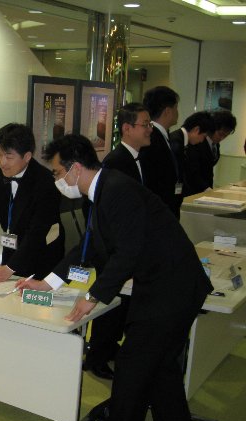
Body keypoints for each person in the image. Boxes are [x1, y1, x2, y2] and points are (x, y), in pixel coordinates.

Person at [17, 134, 212, 421]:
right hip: (171, 286)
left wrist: (93, 296)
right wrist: (48, 282)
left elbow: (127, 253)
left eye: (57, 172)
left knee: (132, 364)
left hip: (171, 289)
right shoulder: (103, 189)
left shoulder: (116, 190)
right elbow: (87, 248)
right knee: (160, 366)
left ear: (75, 169)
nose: (56, 180)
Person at [83, 103, 153, 380]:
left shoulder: (139, 158)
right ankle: (98, 356)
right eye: (144, 124)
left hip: (128, 246)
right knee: (108, 305)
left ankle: (109, 348)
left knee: (121, 304)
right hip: (112, 250)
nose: (149, 130)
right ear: (127, 128)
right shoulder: (115, 162)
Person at [0, 123, 64, 283]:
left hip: (42, 256)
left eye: (9, 157)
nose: (2, 162)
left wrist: (10, 268)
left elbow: (37, 231)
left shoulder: (46, 182)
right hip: (11, 252)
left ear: (27, 157)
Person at [138, 86, 183, 218]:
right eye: (176, 108)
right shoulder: (151, 139)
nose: (177, 112)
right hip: (158, 212)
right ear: (168, 111)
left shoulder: (161, 136)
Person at [185, 110, 237, 195]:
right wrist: (206, 188)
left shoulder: (215, 144)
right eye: (220, 134)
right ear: (212, 128)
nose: (222, 138)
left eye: (225, 136)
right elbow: (192, 171)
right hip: (192, 190)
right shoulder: (198, 141)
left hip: (206, 189)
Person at [169, 112, 214, 199]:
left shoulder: (186, 142)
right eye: (204, 136)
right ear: (196, 129)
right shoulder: (176, 142)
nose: (202, 141)